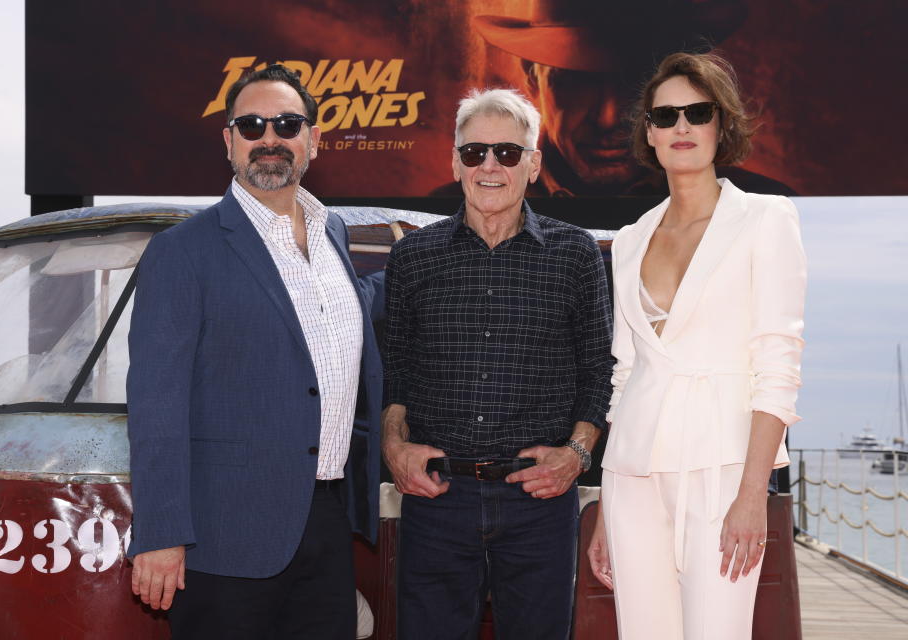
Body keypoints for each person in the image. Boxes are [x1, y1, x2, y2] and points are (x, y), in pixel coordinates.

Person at [125, 64, 384, 639]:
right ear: (229, 142)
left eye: (288, 123)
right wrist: (161, 535)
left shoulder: (333, 233)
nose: (270, 138)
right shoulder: (182, 252)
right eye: (252, 124)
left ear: (314, 140)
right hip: (222, 540)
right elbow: (155, 407)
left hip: (327, 522)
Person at [587, 52, 806, 639]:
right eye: (666, 116)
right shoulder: (631, 241)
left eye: (697, 111)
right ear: (650, 134)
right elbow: (624, 374)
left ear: (720, 124)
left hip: (723, 469)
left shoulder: (765, 219)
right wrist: (607, 505)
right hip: (633, 474)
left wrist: (754, 493)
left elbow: (778, 363)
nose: (681, 127)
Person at [383, 88, 613, 639]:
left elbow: (599, 375)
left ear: (533, 165)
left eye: (507, 153)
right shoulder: (413, 257)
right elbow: (396, 373)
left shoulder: (576, 254)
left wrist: (576, 455)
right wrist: (394, 447)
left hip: (540, 501)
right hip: (436, 499)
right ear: (454, 161)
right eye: (474, 152)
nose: (490, 166)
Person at [468, 0, 796, 197]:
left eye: (636, 81)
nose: (608, 118)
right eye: (578, 82)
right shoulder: (460, 210)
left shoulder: (763, 208)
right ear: (531, 76)